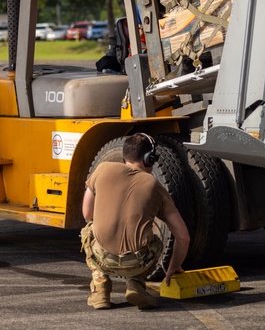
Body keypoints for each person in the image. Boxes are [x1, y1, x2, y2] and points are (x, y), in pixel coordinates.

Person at [80, 133, 190, 310]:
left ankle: (100, 290)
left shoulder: (102, 169)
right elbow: (183, 237)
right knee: (156, 240)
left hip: (103, 257)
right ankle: (136, 283)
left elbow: (87, 213)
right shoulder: (155, 186)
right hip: (137, 262)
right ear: (149, 158)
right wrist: (174, 267)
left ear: (125, 155)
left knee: (88, 231)